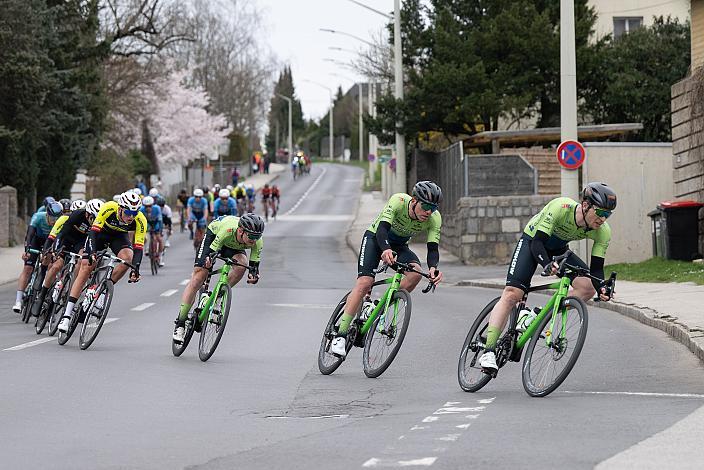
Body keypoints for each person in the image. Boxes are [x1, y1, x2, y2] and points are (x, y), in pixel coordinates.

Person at [478, 182, 618, 373]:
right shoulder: (560, 207)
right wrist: (546, 264)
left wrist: (602, 287)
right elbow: (537, 243)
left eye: (608, 215)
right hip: (532, 242)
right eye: (601, 213)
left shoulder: (603, 232)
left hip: (559, 250)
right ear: (585, 206)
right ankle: (488, 351)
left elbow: (596, 269)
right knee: (512, 294)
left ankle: (538, 315)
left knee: (587, 287)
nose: (603, 219)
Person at [330, 181, 445, 356]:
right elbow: (382, 229)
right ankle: (340, 335)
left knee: (415, 274)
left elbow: (433, 248)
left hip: (399, 246)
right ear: (414, 200)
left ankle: (378, 308)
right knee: (364, 283)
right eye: (426, 206)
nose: (429, 211)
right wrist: (385, 250)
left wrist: (433, 269)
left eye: (433, 207)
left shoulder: (434, 218)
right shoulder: (398, 201)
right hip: (375, 240)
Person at [58, 191, 145, 332]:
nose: (131, 217)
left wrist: (136, 268)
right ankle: (67, 315)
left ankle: (103, 291)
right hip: (99, 235)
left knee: (128, 258)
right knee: (86, 266)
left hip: (118, 237)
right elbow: (93, 232)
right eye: (128, 212)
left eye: (134, 213)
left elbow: (139, 248)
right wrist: (91, 252)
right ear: (120, 208)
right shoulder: (109, 207)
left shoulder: (140, 220)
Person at [173, 213, 265, 342]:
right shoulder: (227, 230)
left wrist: (253, 275)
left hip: (234, 247)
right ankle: (180, 323)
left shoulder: (257, 241)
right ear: (240, 230)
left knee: (242, 265)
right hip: (215, 237)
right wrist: (208, 261)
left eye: (257, 237)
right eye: (251, 236)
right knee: (199, 277)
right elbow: (212, 252)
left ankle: (216, 297)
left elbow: (254, 265)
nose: (254, 240)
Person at [34, 199, 103, 317]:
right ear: (87, 214)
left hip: (80, 244)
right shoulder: (77, 215)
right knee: (57, 266)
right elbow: (61, 234)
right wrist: (56, 250)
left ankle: (70, 290)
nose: (94, 221)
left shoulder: (97, 222)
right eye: (92, 218)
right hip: (67, 240)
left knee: (82, 261)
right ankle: (42, 295)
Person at [12, 200, 63, 313]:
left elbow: (59, 240)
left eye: (57, 219)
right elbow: (29, 235)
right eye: (52, 218)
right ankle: (18, 301)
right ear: (47, 214)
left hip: (49, 242)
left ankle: (44, 287)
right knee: (27, 268)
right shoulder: (38, 217)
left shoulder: (60, 223)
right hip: (36, 240)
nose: (54, 222)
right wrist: (27, 251)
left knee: (50, 264)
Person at [141, 196, 164, 267]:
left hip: (156, 223)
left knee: (159, 239)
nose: (148, 208)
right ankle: (148, 249)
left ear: (152, 205)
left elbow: (160, 221)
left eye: (150, 206)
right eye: (146, 206)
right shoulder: (141, 210)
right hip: (147, 223)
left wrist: (160, 230)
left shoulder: (157, 209)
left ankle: (160, 256)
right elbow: (141, 221)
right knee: (146, 237)